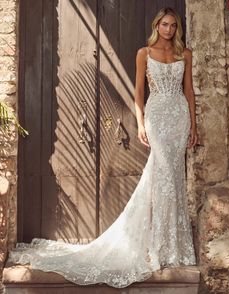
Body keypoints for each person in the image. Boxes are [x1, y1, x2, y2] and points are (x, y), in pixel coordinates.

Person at [8, 7, 198, 289]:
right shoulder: (143, 53)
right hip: (157, 116)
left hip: (179, 117)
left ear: (176, 28)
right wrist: (141, 123)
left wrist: (193, 125)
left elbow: (189, 90)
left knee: (174, 179)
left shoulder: (186, 54)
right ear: (157, 25)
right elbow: (137, 93)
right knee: (161, 179)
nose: (169, 30)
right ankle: (155, 245)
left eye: (173, 25)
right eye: (164, 24)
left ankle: (174, 246)